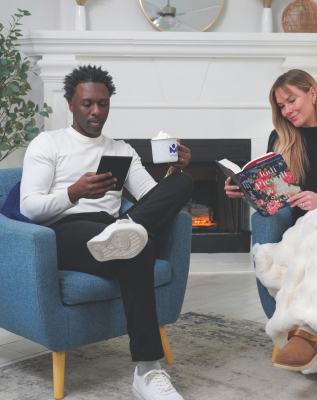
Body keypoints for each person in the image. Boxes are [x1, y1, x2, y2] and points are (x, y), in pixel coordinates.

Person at [20, 65, 193, 400]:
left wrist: (175, 171)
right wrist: (75, 192)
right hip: (66, 230)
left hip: (113, 230)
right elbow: (30, 207)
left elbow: (149, 198)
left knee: (180, 186)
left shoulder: (122, 150)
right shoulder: (48, 143)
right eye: (87, 104)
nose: (96, 110)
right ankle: (147, 368)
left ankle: (146, 371)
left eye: (103, 103)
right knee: (136, 245)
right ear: (71, 104)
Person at [225, 69, 317, 394]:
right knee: (272, 221)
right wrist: (246, 192)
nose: (287, 110)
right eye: (281, 106)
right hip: (297, 227)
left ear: (312, 93)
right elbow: (276, 200)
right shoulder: (281, 140)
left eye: (292, 100)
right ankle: (302, 334)